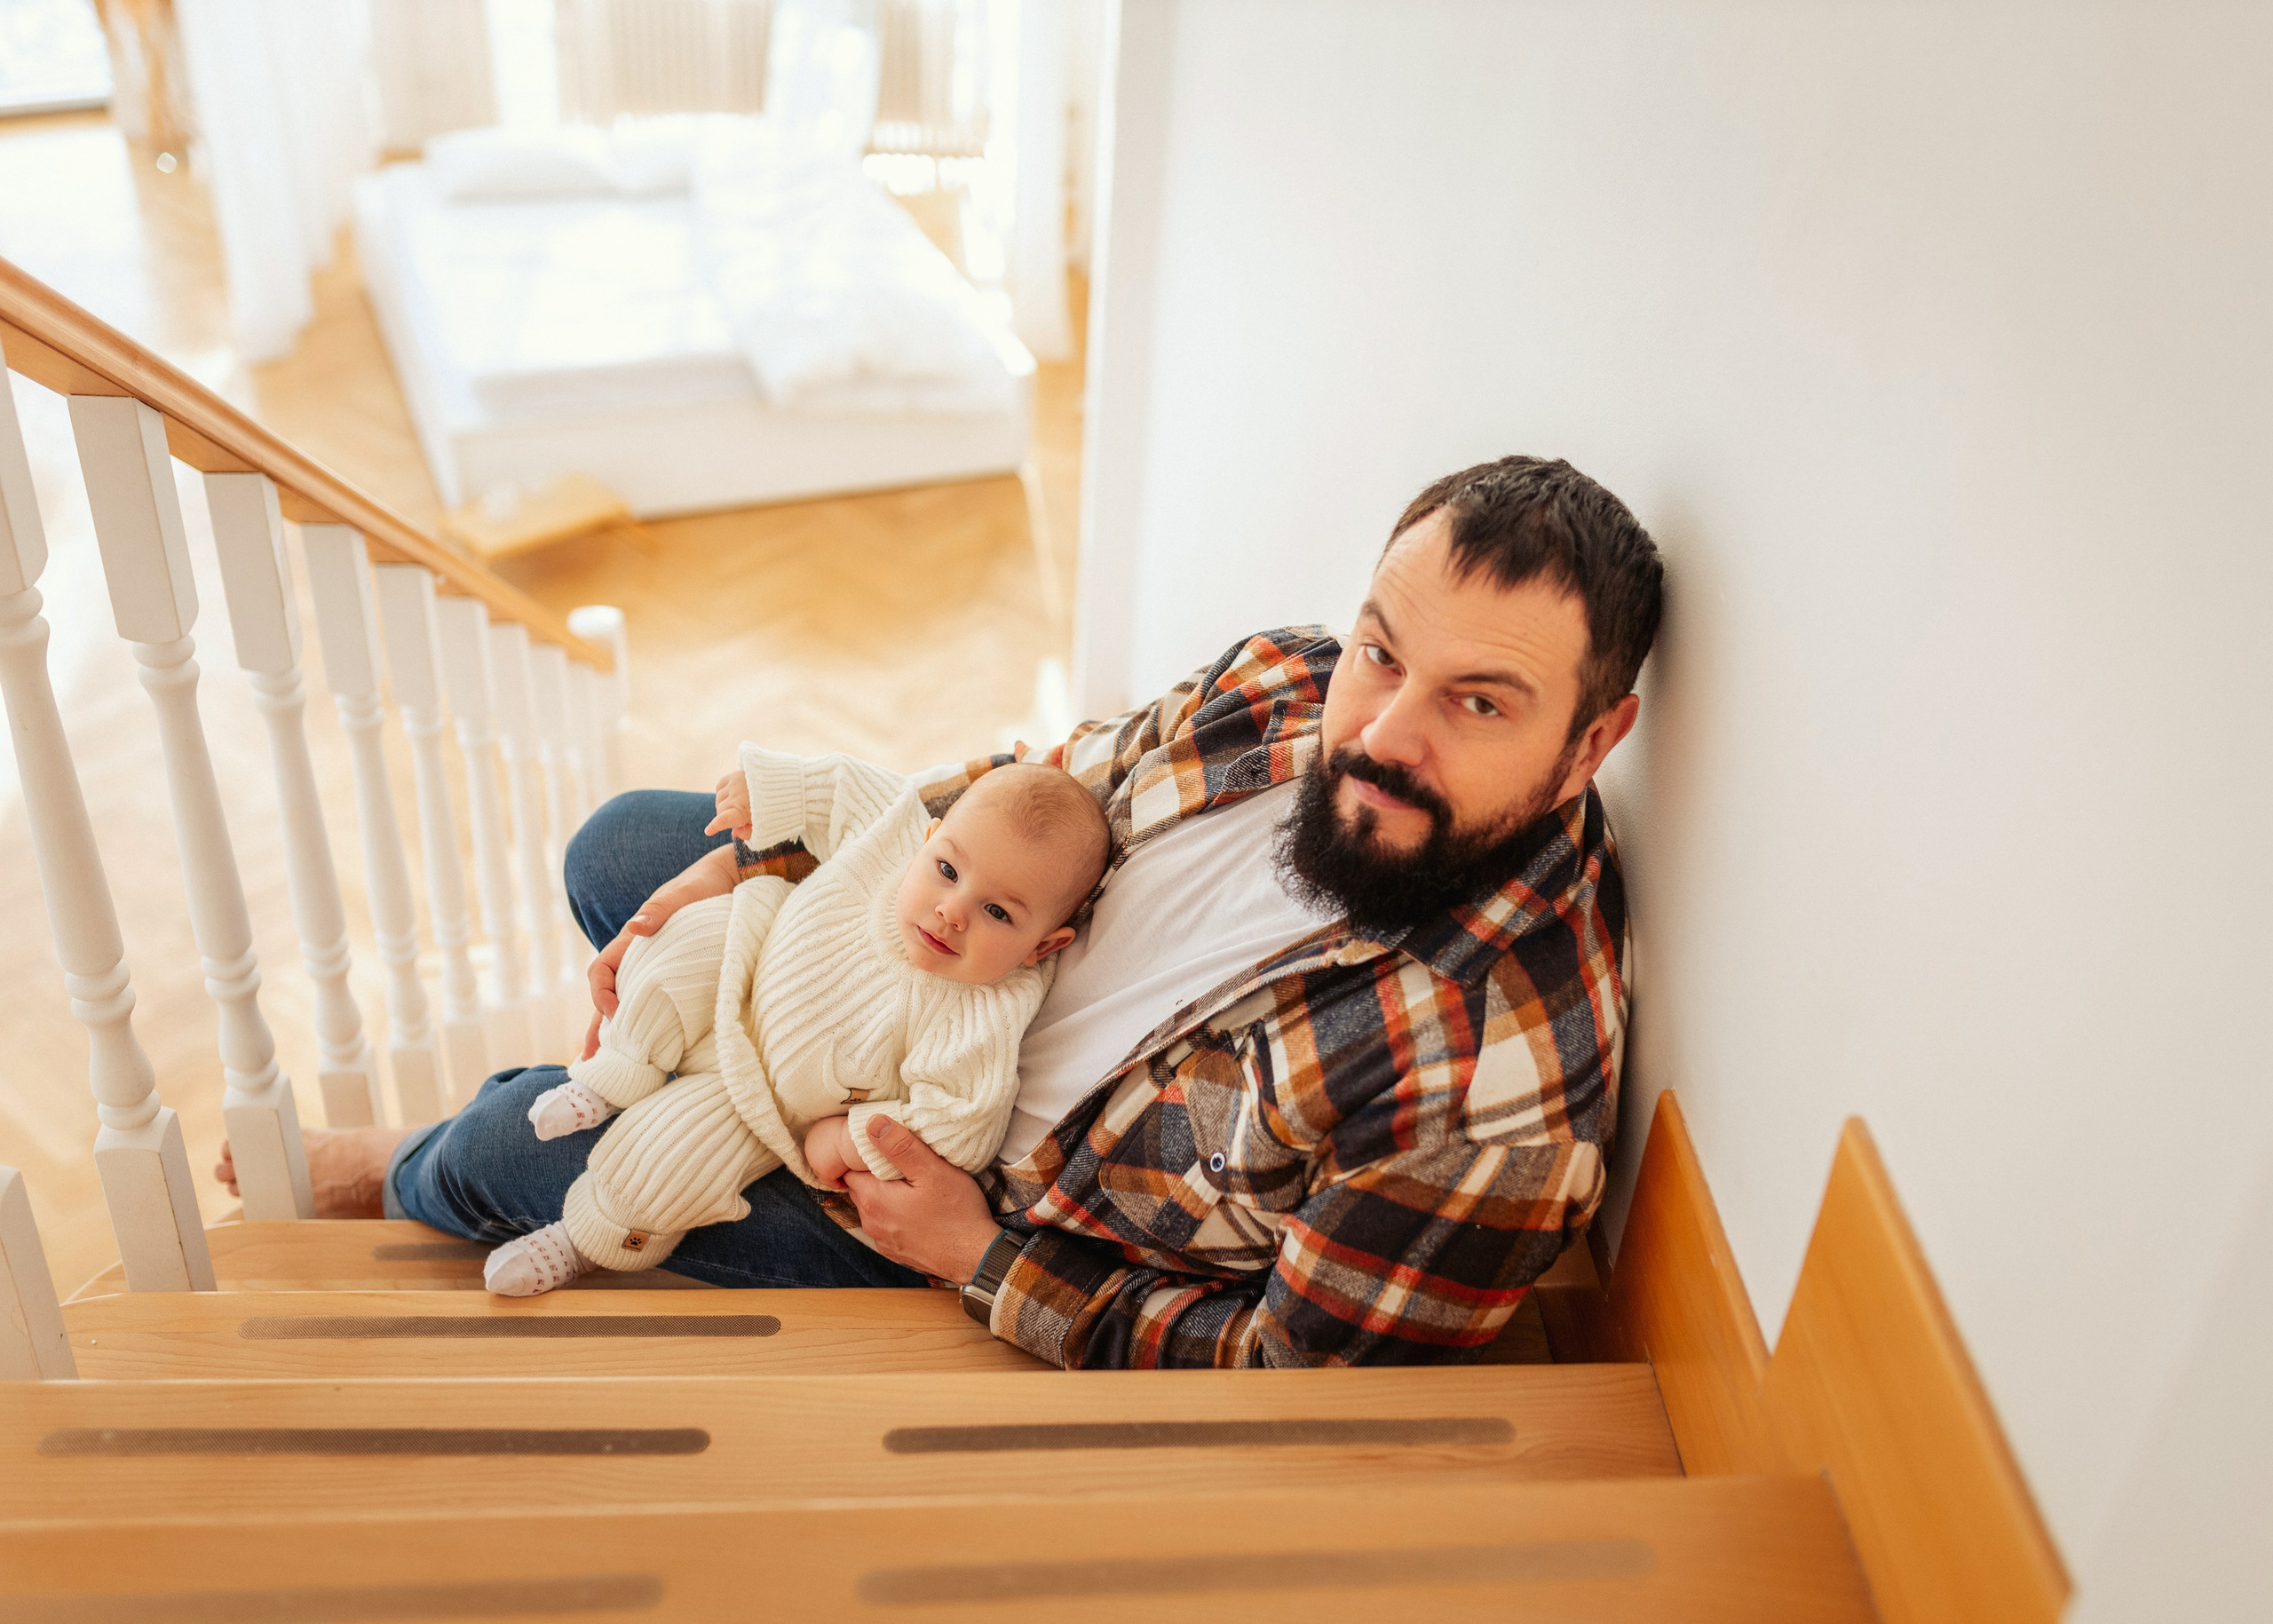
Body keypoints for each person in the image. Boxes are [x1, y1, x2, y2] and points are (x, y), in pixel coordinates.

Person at [225, 455, 1661, 1368]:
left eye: (1479, 702)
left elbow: (1284, 1366)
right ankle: (685, 1058)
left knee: (498, 1145)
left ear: (1595, 739)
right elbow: (1045, 782)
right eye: (1383, 654)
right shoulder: (1291, 681)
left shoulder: (1496, 1099)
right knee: (632, 851)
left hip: (957, 1182)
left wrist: (973, 1248)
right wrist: (773, 860)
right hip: (945, 951)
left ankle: (406, 1158)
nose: (1383, 730)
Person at [482, 749, 1109, 1295]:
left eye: (997, 911)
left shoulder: (983, 1013)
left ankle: (578, 1239)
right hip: (748, 951)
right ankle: (607, 1076)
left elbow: (957, 1125)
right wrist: (773, 788)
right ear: (929, 837)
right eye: (947, 870)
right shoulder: (895, 828)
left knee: (672, 1159)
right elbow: (843, 784)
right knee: (678, 942)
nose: (951, 911)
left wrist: (845, 1140)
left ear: (1042, 947)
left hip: (758, 1104)